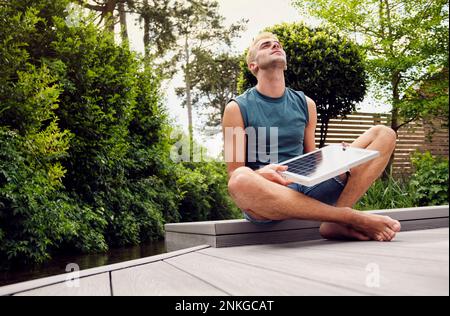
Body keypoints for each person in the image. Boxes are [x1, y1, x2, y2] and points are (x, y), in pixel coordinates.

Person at [222, 32, 401, 241]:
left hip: (309, 184)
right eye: (266, 45)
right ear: (253, 66)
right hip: (269, 193)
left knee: (384, 134)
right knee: (240, 180)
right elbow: (234, 172)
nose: (275, 46)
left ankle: (335, 223)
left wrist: (335, 155)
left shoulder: (306, 104)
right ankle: (346, 217)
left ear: (285, 63)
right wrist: (261, 174)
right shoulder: (236, 108)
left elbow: (311, 157)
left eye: (277, 44)